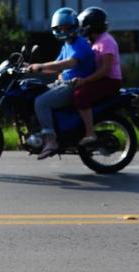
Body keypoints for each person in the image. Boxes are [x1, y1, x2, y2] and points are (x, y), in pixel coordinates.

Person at [27, 7, 95, 160]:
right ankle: (39, 133)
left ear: (74, 26)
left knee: (41, 102)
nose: (63, 30)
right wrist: (29, 68)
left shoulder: (80, 44)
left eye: (67, 27)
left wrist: (41, 66)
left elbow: (69, 64)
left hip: (74, 85)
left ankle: (51, 141)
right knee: (33, 93)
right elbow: (55, 67)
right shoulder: (67, 45)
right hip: (63, 83)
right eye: (60, 28)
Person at [73, 7, 123, 146]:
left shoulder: (106, 41)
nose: (81, 28)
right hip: (102, 79)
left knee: (80, 95)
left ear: (91, 25)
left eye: (84, 24)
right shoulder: (95, 41)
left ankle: (90, 133)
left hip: (110, 81)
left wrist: (85, 80)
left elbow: (105, 69)